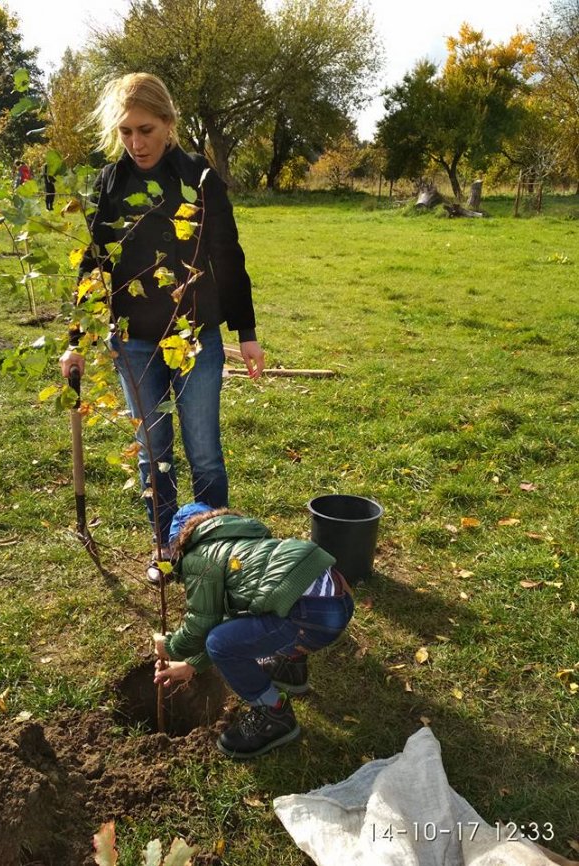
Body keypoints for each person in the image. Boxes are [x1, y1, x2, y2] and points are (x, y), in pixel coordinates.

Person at [59, 73, 264, 553]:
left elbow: (227, 255)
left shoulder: (199, 177)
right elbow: (95, 265)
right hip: (133, 342)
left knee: (204, 452)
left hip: (195, 340)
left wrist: (247, 332)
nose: (136, 143)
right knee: (153, 454)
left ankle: (211, 549)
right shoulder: (111, 183)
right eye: (126, 132)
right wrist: (76, 340)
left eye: (146, 130)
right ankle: (166, 549)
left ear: (169, 123)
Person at [152, 503, 355, 760]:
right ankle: (289, 667)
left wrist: (170, 646)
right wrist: (192, 664)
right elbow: (232, 618)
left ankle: (274, 714)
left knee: (220, 643)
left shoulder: (200, 557)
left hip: (310, 617)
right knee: (256, 616)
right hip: (339, 600)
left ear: (181, 541)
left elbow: (202, 626)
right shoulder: (246, 542)